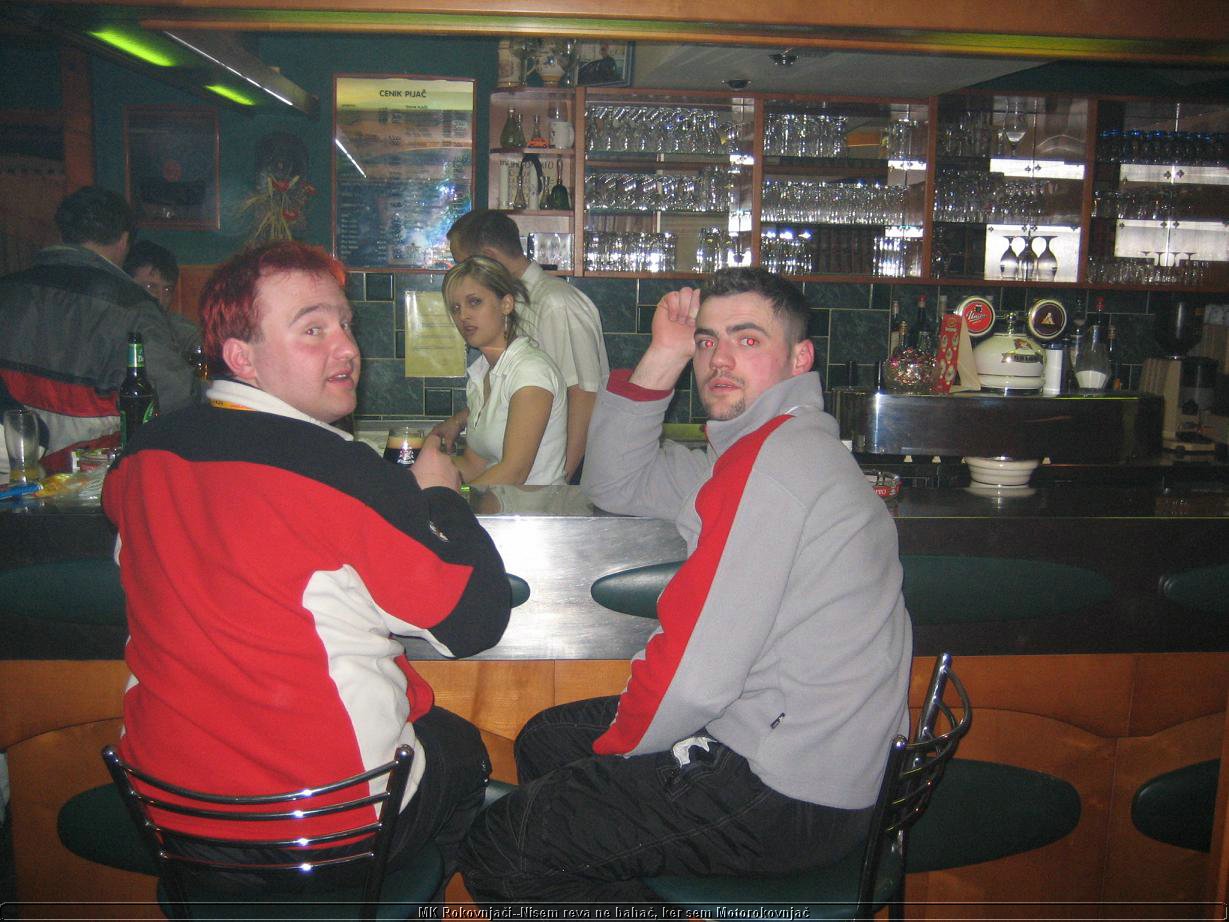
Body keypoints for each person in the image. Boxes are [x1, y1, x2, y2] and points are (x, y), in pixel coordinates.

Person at [460, 268, 913, 906]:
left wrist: (615, 757)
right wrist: (663, 355)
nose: (719, 359)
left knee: (501, 847)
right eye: (706, 341)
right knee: (546, 740)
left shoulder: (772, 467)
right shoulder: (770, 447)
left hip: (786, 789)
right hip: (814, 756)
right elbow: (615, 484)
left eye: (747, 340)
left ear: (800, 359)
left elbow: (695, 677)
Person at [102, 241, 511, 880]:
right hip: (323, 823)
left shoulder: (139, 456)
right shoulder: (340, 470)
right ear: (242, 357)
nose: (347, 348)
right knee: (463, 752)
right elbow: (474, 620)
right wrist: (440, 496)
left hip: (167, 814)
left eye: (345, 324)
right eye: (313, 329)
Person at [0, 186, 195, 475]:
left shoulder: (7, 291)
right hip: (90, 478)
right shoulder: (132, 306)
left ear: (63, 233)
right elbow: (174, 399)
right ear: (124, 240)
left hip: (13, 473)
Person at [446, 210, 608, 482]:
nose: (462, 274)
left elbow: (584, 397)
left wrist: (560, 482)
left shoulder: (555, 303)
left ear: (489, 256)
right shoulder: (513, 307)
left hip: (573, 472)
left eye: (464, 263)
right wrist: (460, 420)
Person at [440, 255, 567, 486]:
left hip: (534, 507)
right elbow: (473, 465)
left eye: (474, 302)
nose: (463, 316)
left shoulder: (530, 371)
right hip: (500, 506)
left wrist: (450, 501)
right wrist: (418, 475)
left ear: (506, 304)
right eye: (456, 308)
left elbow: (514, 472)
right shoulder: (482, 373)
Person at [123, 239, 201, 359]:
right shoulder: (113, 325)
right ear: (127, 284)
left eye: (167, 290)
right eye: (150, 287)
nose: (160, 298)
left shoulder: (180, 329)